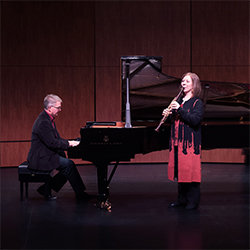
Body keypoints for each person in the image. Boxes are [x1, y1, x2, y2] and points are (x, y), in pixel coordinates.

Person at [27, 94, 93, 201]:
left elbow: (56, 139)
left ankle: (47, 188)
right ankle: (80, 194)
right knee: (68, 165)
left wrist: (69, 142)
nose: (60, 110)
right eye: (58, 108)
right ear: (50, 108)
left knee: (68, 165)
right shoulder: (43, 122)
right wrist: (69, 144)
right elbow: (52, 143)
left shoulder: (48, 119)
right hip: (41, 157)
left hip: (46, 154)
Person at [163, 72, 203, 210]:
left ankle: (193, 201)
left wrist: (179, 110)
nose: (183, 84)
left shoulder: (197, 102)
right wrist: (168, 114)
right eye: (182, 81)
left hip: (189, 143)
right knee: (181, 170)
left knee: (191, 170)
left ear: (194, 85)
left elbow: (195, 120)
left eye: (186, 81)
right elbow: (176, 120)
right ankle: (181, 200)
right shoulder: (179, 101)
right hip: (177, 142)